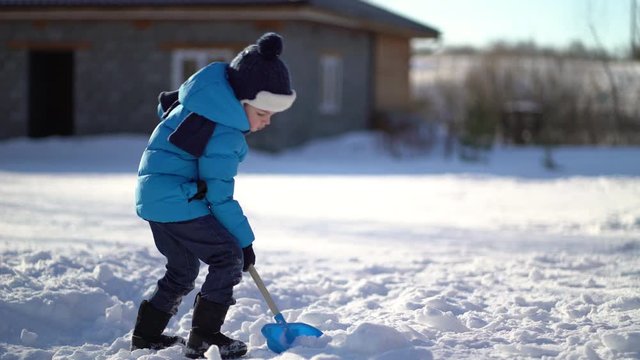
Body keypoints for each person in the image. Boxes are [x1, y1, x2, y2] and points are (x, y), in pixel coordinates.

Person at [130, 32, 296, 359]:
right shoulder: (224, 131)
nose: (266, 122)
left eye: (271, 116)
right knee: (227, 257)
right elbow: (220, 197)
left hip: (155, 199)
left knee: (182, 270)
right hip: (176, 199)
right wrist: (243, 242)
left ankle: (146, 336)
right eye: (262, 113)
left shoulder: (199, 105)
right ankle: (203, 338)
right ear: (241, 101)